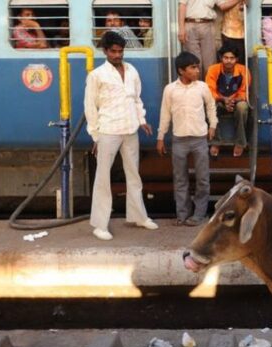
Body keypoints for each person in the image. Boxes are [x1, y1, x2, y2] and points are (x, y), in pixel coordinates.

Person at [84, 31, 157, 241]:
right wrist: (95, 136)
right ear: (105, 51)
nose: (118, 55)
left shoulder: (132, 70)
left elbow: (136, 99)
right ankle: (100, 225)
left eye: (120, 51)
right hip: (107, 130)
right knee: (103, 178)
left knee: (134, 174)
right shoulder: (97, 75)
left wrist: (142, 121)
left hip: (131, 128)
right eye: (113, 51)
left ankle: (138, 216)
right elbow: (90, 108)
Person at [157, 52, 218, 227]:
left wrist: (212, 125)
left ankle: (199, 214)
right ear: (181, 70)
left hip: (200, 139)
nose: (197, 70)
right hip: (179, 140)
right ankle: (182, 215)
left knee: (203, 178)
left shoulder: (202, 87)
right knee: (180, 179)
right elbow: (165, 114)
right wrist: (161, 137)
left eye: (197, 67)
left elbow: (211, 106)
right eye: (193, 67)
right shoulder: (170, 89)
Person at [205, 44, 250, 158]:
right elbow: (210, 91)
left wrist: (233, 101)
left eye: (232, 58)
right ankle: (216, 142)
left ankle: (240, 142)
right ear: (221, 58)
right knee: (209, 106)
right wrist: (223, 100)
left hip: (236, 101)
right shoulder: (213, 69)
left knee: (242, 107)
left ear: (236, 59)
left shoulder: (243, 70)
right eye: (226, 58)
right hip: (219, 100)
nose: (228, 61)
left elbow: (244, 92)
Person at [178, 0, 224, 75]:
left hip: (208, 24)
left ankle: (209, 86)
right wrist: (181, 28)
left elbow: (223, 5)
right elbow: (182, 6)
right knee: (193, 61)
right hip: (190, 24)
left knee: (210, 62)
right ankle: (194, 85)